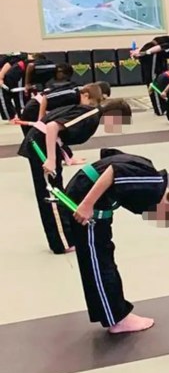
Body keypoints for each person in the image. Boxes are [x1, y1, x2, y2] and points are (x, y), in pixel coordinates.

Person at [65, 149, 169, 334]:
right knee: (98, 261)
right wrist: (87, 204)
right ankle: (117, 319)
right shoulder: (151, 185)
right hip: (86, 200)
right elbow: (114, 170)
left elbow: (109, 154)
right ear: (168, 206)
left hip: (93, 198)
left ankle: (114, 313)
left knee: (102, 255)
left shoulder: (150, 175)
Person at [18, 95, 133, 254]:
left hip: (44, 143)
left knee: (56, 190)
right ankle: (61, 242)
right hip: (40, 145)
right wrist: (51, 159)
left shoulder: (89, 113)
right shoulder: (90, 116)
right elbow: (52, 127)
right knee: (51, 192)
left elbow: (60, 134)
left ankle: (65, 235)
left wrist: (66, 157)